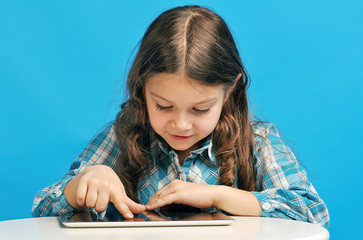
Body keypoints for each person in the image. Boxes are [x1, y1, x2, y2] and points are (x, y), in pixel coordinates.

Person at [32, 5, 329, 228]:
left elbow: (313, 212)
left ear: (229, 90)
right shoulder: (123, 137)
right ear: (142, 89)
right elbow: (43, 206)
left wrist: (218, 196)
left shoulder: (259, 142)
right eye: (163, 106)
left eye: (200, 109)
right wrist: (82, 183)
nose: (181, 124)